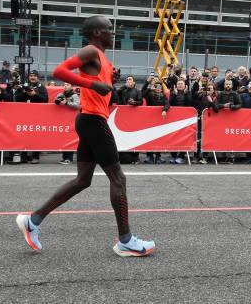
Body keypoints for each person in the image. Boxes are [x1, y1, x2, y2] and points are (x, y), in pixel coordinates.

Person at [16, 15, 155, 257]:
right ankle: (126, 241)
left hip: (89, 118)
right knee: (118, 179)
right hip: (92, 120)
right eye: (109, 29)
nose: (114, 33)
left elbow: (103, 90)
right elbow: (59, 71)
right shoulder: (91, 50)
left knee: (83, 180)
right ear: (96, 33)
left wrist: (109, 81)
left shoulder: (103, 59)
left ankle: (33, 220)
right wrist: (92, 86)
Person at [54, 82, 80, 164]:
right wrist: (58, 100)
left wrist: (66, 103)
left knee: (70, 138)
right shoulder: (60, 94)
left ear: (72, 87)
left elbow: (77, 106)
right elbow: (56, 103)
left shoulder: (75, 95)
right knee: (64, 139)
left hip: (72, 120)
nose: (65, 86)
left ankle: (69, 158)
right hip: (62, 120)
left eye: (67, 84)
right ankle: (64, 158)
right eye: (64, 85)